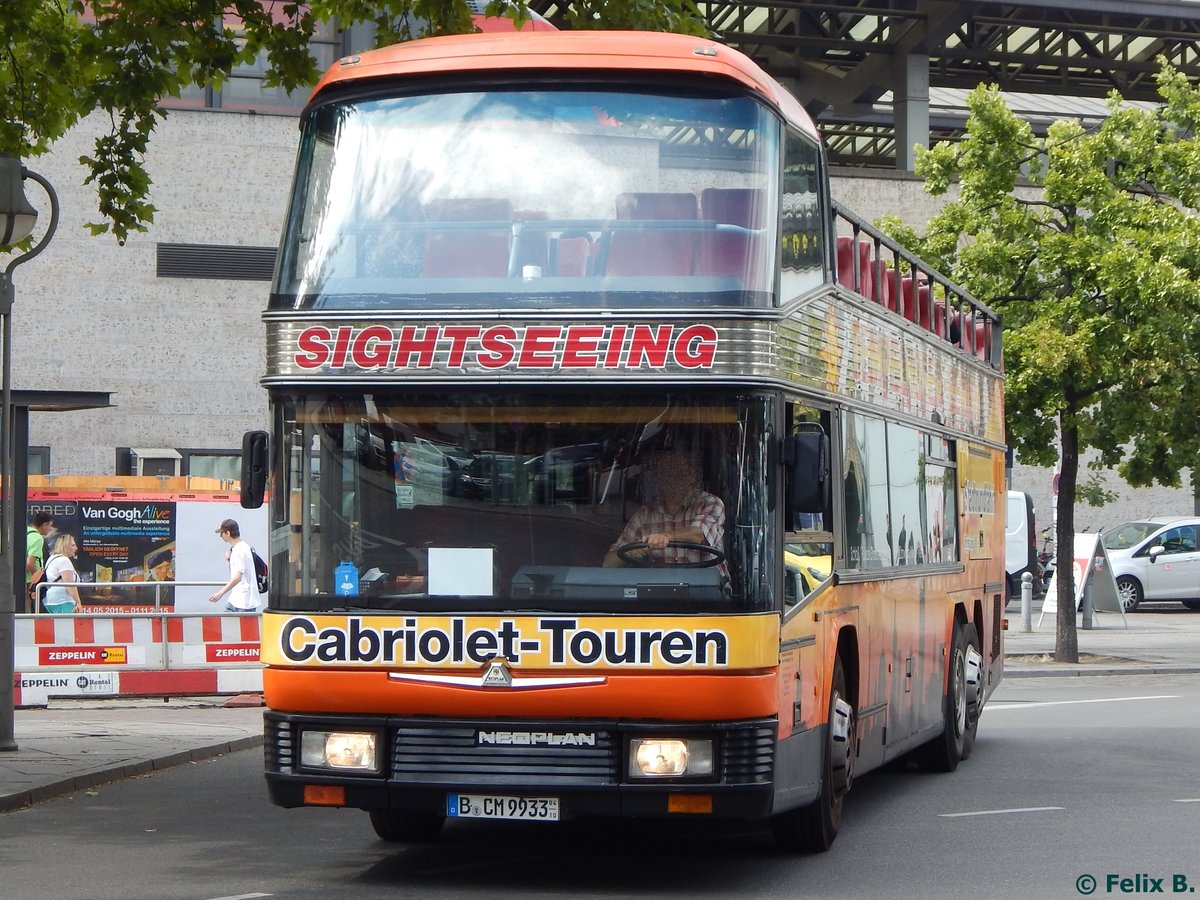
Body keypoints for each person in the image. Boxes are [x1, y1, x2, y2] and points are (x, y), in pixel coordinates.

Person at [603, 450, 725, 570]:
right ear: (658, 479)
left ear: (693, 477)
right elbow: (609, 563)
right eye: (668, 474)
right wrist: (634, 551)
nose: (674, 480)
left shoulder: (710, 503)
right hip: (661, 586)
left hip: (707, 586)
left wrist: (665, 536)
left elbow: (697, 534)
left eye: (680, 474)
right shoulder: (644, 515)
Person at [208, 518, 259, 612]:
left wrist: (220, 593)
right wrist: (230, 560)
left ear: (227, 533)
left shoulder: (239, 551)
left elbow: (237, 577)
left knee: (236, 624)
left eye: (222, 533)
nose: (220, 536)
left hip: (243, 602)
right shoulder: (244, 547)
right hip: (238, 599)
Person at [42, 533, 83, 614]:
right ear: (65, 545)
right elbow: (70, 585)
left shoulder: (52, 558)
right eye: (73, 545)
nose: (76, 548)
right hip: (63, 600)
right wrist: (78, 602)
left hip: (50, 599)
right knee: (67, 625)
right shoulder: (64, 560)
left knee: (58, 626)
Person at [25, 512, 54, 613]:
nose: (51, 528)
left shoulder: (26, 532)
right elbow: (30, 562)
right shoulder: (38, 538)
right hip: (29, 581)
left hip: (20, 579)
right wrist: (36, 578)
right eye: (50, 525)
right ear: (44, 525)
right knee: (30, 611)